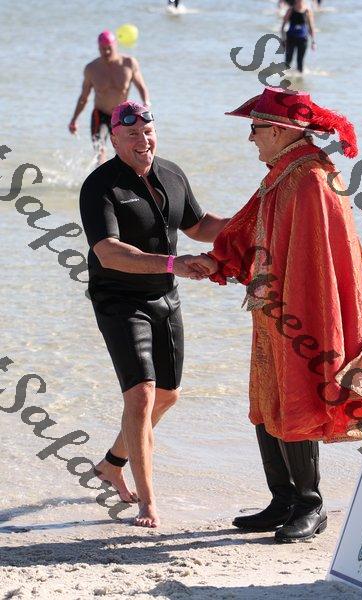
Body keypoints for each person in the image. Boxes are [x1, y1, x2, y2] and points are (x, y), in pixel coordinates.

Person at [186, 86, 362, 543]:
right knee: (267, 396)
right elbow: (250, 226)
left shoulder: (311, 177)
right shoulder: (286, 171)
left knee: (297, 394)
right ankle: (282, 499)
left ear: (277, 130)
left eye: (255, 129)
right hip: (274, 308)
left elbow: (317, 260)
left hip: (301, 310)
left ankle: (310, 504)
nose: (250, 138)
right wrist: (217, 260)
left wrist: (296, 309)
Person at [79, 101, 230, 528]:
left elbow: (199, 226)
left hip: (165, 297)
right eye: (132, 135)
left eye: (148, 132)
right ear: (114, 140)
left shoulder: (172, 174)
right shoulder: (100, 186)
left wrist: (251, 221)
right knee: (141, 395)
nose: (142, 141)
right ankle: (147, 502)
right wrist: (173, 263)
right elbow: (108, 253)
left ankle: (111, 465)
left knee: (167, 395)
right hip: (119, 300)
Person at [69, 31, 150, 165]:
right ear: (98, 47)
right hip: (99, 114)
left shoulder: (129, 63)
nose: (106, 52)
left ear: (115, 45)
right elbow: (84, 97)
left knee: (123, 151)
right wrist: (74, 119)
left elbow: (142, 87)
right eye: (102, 49)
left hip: (122, 115)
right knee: (99, 150)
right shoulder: (91, 69)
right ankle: (101, 174)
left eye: (109, 48)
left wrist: (146, 104)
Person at [281, 0, 316, 74]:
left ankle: (299, 79)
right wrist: (283, 40)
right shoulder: (290, 10)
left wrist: (313, 42)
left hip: (303, 39)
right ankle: (284, 78)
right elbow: (283, 26)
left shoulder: (307, 11)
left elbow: (311, 27)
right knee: (288, 60)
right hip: (291, 38)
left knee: (300, 62)